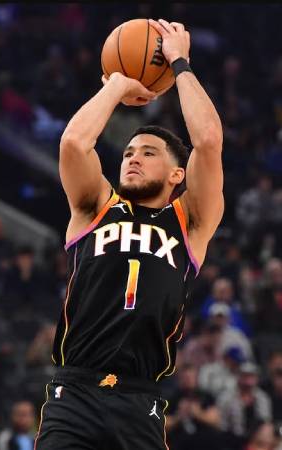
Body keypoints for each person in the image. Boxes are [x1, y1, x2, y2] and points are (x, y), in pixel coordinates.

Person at [35, 20, 224, 450]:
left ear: (178, 174)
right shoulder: (94, 206)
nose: (133, 159)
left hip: (141, 401)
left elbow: (209, 140)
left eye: (149, 153)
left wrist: (179, 64)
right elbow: (73, 145)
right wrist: (117, 85)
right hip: (74, 394)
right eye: (128, 153)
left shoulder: (190, 221)